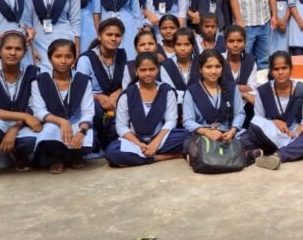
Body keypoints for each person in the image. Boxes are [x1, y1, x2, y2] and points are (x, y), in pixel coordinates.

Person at [104, 52, 189, 167]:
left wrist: (156, 142)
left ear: (158, 69)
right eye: (143, 70)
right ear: (136, 71)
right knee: (112, 152)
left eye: (151, 69)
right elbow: (121, 126)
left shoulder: (167, 91)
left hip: (161, 138)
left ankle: (143, 156)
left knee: (187, 136)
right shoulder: (127, 94)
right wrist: (139, 144)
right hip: (135, 140)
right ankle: (161, 157)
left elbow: (170, 120)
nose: (148, 73)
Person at [239, 51, 303, 170]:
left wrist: (295, 133)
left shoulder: (302, 90)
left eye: (284, 68)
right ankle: (297, 150)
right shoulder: (263, 91)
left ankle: (277, 155)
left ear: (290, 69)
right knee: (243, 139)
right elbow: (259, 119)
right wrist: (274, 122)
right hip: (270, 135)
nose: (280, 72)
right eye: (276, 69)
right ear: (271, 71)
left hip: (294, 135)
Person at [31, 38, 94, 173]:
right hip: (53, 121)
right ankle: (57, 158)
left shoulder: (83, 80)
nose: (63, 61)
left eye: (68, 56)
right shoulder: (39, 81)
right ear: (50, 58)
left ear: (74, 59)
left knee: (85, 133)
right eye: (58, 56)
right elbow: (39, 111)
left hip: (76, 121)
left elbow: (88, 111)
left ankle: (75, 155)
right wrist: (61, 121)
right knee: (49, 131)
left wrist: (82, 131)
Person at [0, 32, 41, 181]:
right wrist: (23, 116)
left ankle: (18, 154)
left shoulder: (32, 72)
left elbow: (34, 106)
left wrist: (14, 128)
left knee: (32, 140)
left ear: (24, 52)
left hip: (22, 124)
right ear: (0, 50)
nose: (13, 53)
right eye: (8, 48)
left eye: (18, 49)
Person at [182, 49, 247, 163]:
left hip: (228, 134)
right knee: (191, 146)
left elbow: (240, 113)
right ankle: (244, 155)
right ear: (200, 69)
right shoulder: (192, 91)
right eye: (208, 67)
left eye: (217, 67)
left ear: (222, 69)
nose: (213, 71)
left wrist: (232, 131)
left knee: (249, 137)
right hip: (204, 135)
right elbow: (188, 121)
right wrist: (207, 132)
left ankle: (218, 157)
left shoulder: (231, 87)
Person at [75, 18, 127, 151]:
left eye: (117, 35)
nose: (113, 38)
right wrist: (98, 97)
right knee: (96, 109)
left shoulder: (122, 55)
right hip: (92, 101)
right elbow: (79, 90)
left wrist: (120, 91)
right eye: (109, 35)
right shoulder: (86, 59)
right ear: (99, 36)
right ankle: (97, 142)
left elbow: (128, 82)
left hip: (115, 100)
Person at [221, 25, 258, 128]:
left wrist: (230, 87)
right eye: (231, 41)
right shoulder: (218, 59)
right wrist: (243, 93)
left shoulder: (250, 61)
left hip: (244, 105)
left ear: (245, 43)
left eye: (239, 41)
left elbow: (252, 87)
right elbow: (217, 87)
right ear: (225, 43)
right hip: (222, 103)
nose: (235, 45)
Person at [160, 28, 200, 110]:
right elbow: (168, 91)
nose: (182, 48)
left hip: (199, 107)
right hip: (174, 107)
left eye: (187, 44)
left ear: (193, 46)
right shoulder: (166, 65)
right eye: (178, 45)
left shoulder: (200, 63)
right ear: (174, 46)